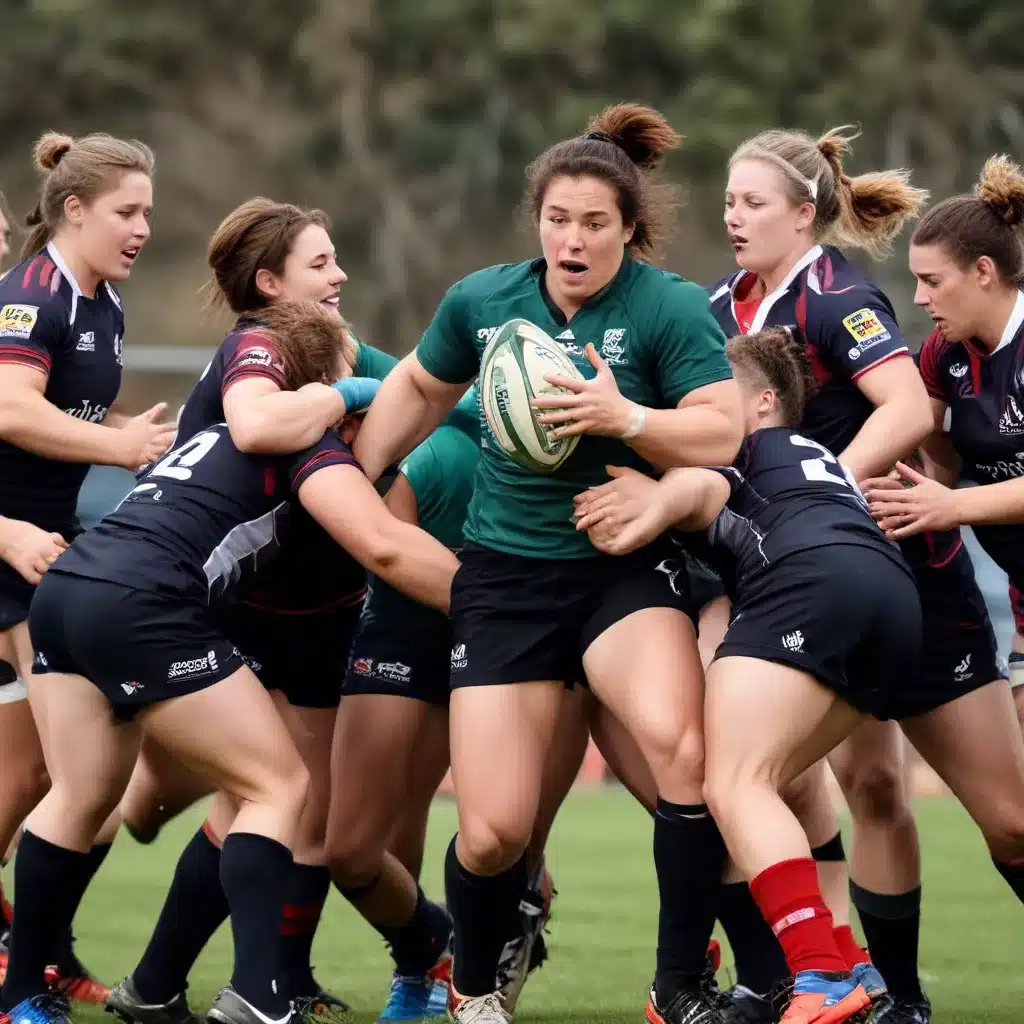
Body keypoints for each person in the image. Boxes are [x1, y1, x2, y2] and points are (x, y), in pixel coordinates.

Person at [354, 103, 744, 1024]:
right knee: (493, 834)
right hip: (502, 577)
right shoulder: (485, 300)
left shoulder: (667, 306)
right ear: (538, 221)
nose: (573, 240)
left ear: (628, 229)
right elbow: (418, 381)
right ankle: (476, 985)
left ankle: (681, 985)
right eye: (558, 220)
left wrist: (629, 422)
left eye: (595, 224)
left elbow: (724, 429)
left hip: (621, 570)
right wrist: (360, 472)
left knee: (685, 755)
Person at [0, 301, 460, 1024]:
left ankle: (22, 994)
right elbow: (385, 545)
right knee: (278, 785)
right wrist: (495, 608)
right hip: (140, 602)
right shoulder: (312, 447)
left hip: (68, 587)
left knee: (80, 796)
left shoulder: (215, 430)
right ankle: (258, 994)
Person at [579, 324, 1024, 1022]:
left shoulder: (742, 451)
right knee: (779, 777)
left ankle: (819, 974)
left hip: (812, 586)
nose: (696, 412)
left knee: (732, 782)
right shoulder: (816, 456)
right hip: (890, 600)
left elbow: (698, 488)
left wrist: (650, 503)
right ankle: (848, 960)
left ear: (759, 405)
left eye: (712, 397)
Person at [107, 197, 382, 1022]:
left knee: (300, 808)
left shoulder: (320, 344)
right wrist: (354, 394)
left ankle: (233, 981)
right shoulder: (259, 343)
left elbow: (415, 383)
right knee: (268, 795)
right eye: (321, 262)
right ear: (270, 283)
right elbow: (258, 425)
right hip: (241, 605)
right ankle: (228, 986)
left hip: (319, 608)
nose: (340, 275)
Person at [705, 125, 941, 1022]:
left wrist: (818, 490)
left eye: (754, 203)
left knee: (878, 783)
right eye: (729, 200)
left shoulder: (837, 296)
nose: (734, 216)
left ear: (805, 216)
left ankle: (876, 984)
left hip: (865, 559)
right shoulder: (719, 305)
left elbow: (909, 405)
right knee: (780, 774)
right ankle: (827, 969)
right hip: (781, 575)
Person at [0, 130, 175, 1005]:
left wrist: (148, 447)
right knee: (72, 784)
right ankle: (26, 966)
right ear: (74, 210)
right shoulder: (32, 295)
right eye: (127, 211)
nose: (145, 226)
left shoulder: (102, 302)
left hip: (46, 545)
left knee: (55, 783)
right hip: (14, 554)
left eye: (148, 210)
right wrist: (118, 445)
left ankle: (37, 952)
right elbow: (10, 410)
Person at [328, 390, 480, 1023]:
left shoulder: (454, 452)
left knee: (421, 819)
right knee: (352, 850)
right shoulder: (392, 448)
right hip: (394, 634)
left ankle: (417, 969)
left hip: (475, 637)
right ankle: (429, 942)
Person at [868, 154, 1024, 739]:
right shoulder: (943, 353)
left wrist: (951, 506)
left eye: (933, 280)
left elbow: (948, 498)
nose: (919, 297)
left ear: (983, 271)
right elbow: (933, 460)